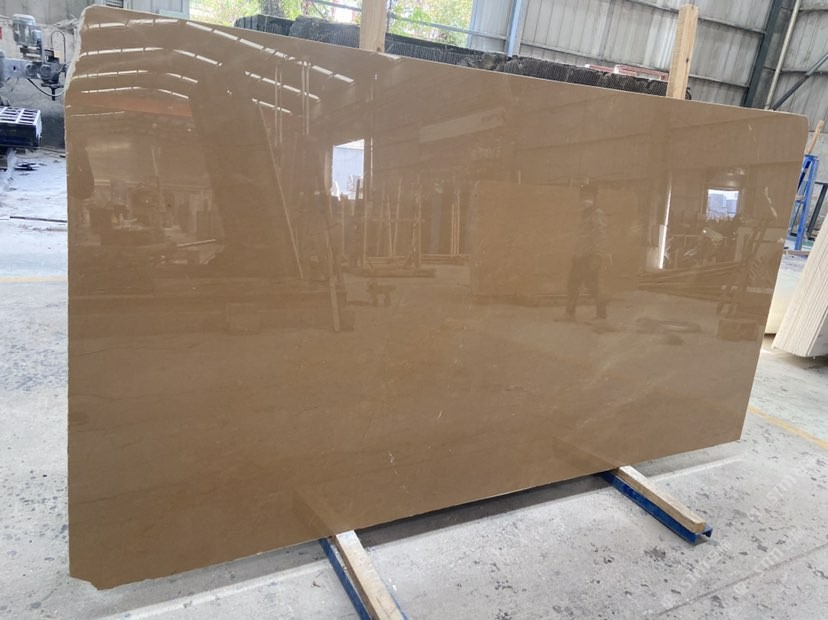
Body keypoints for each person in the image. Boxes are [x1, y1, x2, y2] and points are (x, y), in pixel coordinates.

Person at [562, 188, 610, 321]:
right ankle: (569, 314)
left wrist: (597, 256)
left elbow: (600, 235)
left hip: (590, 256)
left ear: (595, 197)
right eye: (582, 196)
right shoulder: (583, 214)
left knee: (592, 286)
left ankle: (601, 316)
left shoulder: (597, 213)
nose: (585, 199)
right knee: (573, 285)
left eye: (588, 196)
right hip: (579, 255)